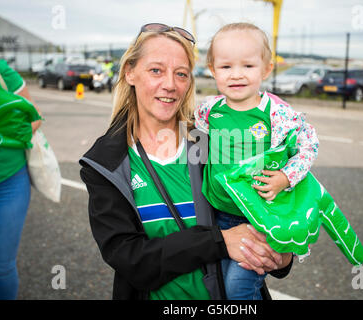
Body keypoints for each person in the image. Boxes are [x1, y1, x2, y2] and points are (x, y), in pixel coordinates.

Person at [79, 23, 293, 300]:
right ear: (130, 72)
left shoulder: (209, 142)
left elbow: (262, 206)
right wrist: (219, 241)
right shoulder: (106, 162)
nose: (170, 84)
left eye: (181, 74)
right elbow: (131, 259)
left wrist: (281, 256)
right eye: (156, 70)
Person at [194, 22, 319, 300]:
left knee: (238, 288)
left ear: (266, 68)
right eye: (226, 67)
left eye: (248, 66)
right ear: (212, 70)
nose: (236, 75)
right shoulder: (208, 110)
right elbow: (194, 140)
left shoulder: (277, 112)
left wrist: (286, 176)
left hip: (258, 218)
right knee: (218, 287)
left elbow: (309, 144)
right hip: (217, 216)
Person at [0, 59, 42, 299]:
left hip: (9, 181)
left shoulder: (1, 71)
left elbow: (35, 116)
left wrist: (14, 132)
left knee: (2, 267)